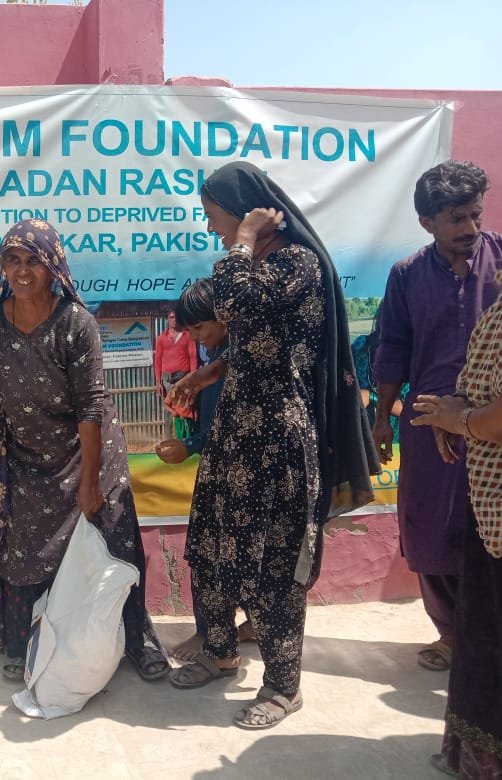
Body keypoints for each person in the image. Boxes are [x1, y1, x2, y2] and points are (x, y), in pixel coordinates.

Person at [167, 162, 378, 729]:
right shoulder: (262, 266)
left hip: (278, 438)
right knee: (210, 544)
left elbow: (234, 306)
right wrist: (208, 374)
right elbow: (257, 341)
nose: (214, 230)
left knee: (275, 562)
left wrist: (241, 241)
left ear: (247, 210)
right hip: (236, 432)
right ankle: (218, 651)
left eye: (217, 219)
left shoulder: (295, 262)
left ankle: (284, 687)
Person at [0, 218, 169, 683]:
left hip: (88, 453)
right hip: (24, 457)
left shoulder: (75, 322)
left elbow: (91, 407)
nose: (22, 271)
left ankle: (135, 642)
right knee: (26, 553)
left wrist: (90, 481)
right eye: (12, 260)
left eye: (32, 261)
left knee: (111, 547)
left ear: (52, 265)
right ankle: (26, 643)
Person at [372, 160, 502, 672]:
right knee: (430, 525)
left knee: (492, 527)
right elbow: (392, 347)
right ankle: (452, 633)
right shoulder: (407, 274)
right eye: (456, 219)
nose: (470, 229)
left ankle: (490, 635)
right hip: (431, 421)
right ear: (427, 222)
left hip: (498, 424)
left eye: (475, 215)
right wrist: (381, 418)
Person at [410, 268, 502, 778]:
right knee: (486, 633)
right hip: (493, 497)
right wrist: (461, 414)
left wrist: (462, 421)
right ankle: (479, 758)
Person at [154, 280, 255, 662]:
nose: (196, 337)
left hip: (236, 473)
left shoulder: (235, 364)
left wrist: (191, 446)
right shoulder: (214, 358)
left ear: (226, 319)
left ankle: (213, 634)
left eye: (200, 328)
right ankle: (228, 628)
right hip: (221, 467)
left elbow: (229, 427)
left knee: (212, 555)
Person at [154, 309, 198, 437]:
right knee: (169, 410)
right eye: (172, 317)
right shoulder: (161, 338)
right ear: (167, 319)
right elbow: (157, 361)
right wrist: (158, 382)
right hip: (167, 379)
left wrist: (194, 378)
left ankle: (188, 440)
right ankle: (168, 441)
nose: (174, 320)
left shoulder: (187, 336)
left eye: (176, 317)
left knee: (185, 407)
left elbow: (193, 357)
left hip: (183, 378)